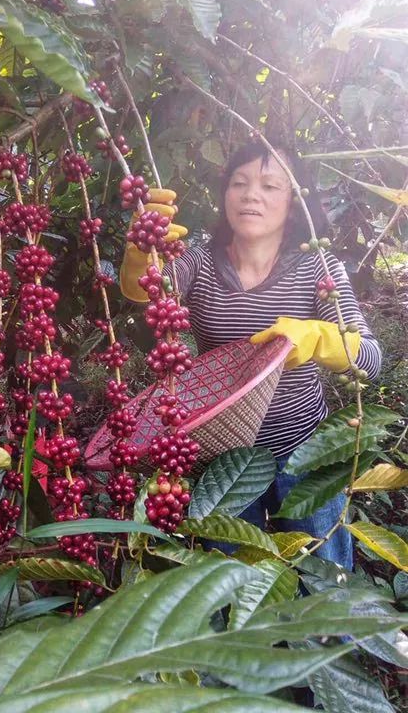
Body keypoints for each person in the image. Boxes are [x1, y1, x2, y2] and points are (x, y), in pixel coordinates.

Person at [120, 141, 382, 569]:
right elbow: (148, 290)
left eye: (270, 185)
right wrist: (140, 253)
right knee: (230, 576)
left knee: (322, 571)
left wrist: (319, 337)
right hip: (224, 454)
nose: (251, 195)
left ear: (293, 203)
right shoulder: (200, 262)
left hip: (304, 450)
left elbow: (370, 355)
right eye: (239, 183)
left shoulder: (317, 267)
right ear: (224, 196)